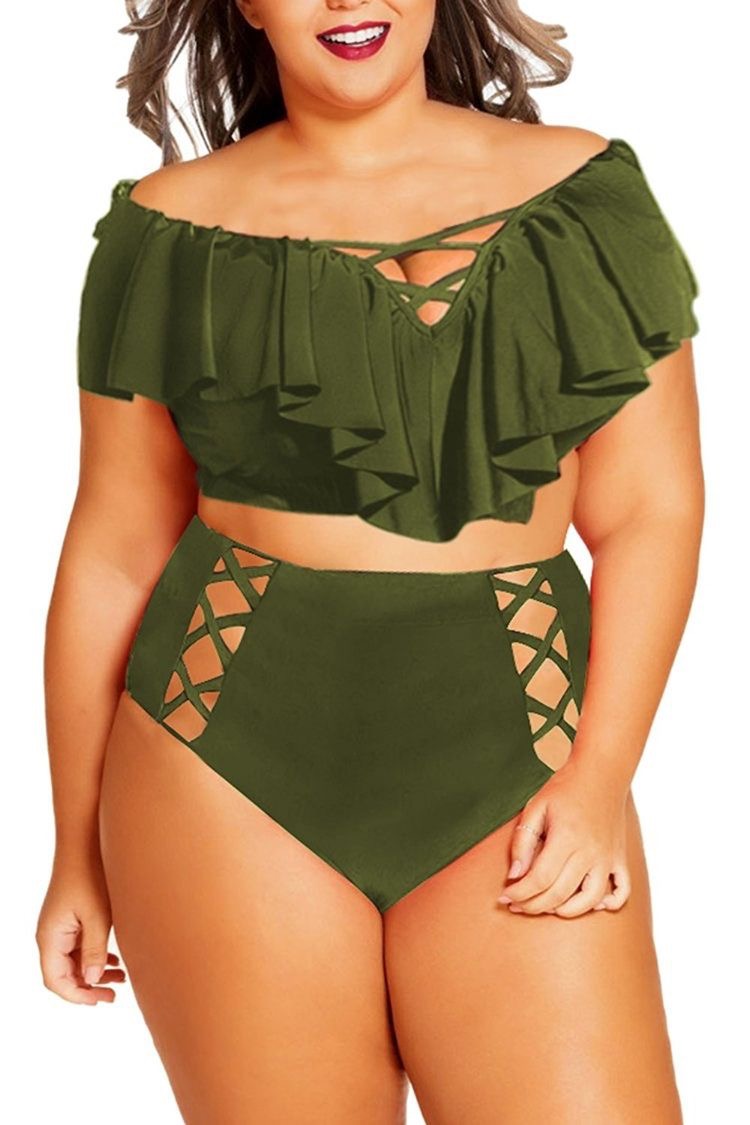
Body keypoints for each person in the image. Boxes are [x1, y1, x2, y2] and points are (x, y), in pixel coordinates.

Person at [37, 2, 703, 1121]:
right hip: (222, 761)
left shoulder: (583, 196)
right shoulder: (167, 231)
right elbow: (112, 548)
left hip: (519, 757)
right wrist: (74, 848)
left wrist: (598, 781)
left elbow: (652, 512)